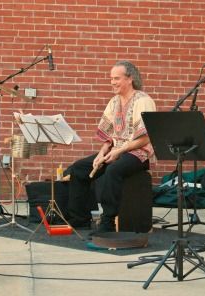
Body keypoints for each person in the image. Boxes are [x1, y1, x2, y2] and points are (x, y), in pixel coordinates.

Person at [66, 60, 156, 232]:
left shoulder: (143, 101)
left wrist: (120, 151)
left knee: (113, 170)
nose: (112, 82)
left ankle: (107, 221)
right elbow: (108, 136)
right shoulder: (114, 102)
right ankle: (79, 219)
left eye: (116, 78)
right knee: (78, 169)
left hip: (138, 154)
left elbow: (145, 139)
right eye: (111, 78)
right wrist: (102, 153)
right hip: (116, 152)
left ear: (130, 79)